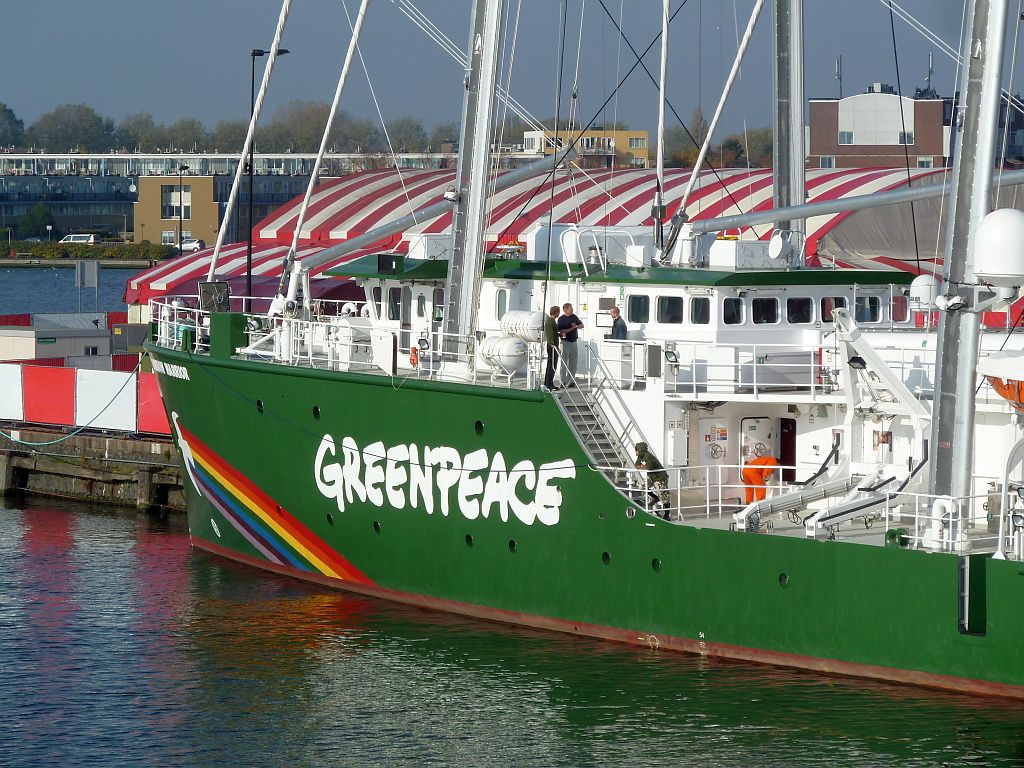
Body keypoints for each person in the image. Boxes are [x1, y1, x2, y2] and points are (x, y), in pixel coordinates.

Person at [634, 442, 670, 518]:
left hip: (660, 477)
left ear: (640, 450)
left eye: (636, 450)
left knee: (664, 497)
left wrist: (642, 466)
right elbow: (636, 465)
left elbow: (649, 467)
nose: (635, 452)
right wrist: (641, 464)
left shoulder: (648, 456)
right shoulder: (642, 456)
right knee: (641, 486)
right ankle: (655, 497)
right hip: (651, 477)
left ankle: (667, 515)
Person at [556, 303, 584, 386]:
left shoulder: (574, 317)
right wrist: (572, 328)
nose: (572, 310)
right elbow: (562, 331)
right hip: (565, 342)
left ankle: (571, 381)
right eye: (570, 309)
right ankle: (563, 381)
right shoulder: (561, 319)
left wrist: (576, 326)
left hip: (574, 342)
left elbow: (582, 325)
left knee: (573, 363)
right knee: (564, 363)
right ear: (565, 310)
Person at [543, 305, 560, 390]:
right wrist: (555, 347)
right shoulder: (550, 321)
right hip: (552, 346)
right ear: (556, 312)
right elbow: (550, 336)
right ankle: (548, 384)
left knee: (551, 365)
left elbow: (553, 333)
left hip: (552, 345)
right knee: (552, 365)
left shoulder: (552, 321)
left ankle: (549, 383)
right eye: (558, 312)